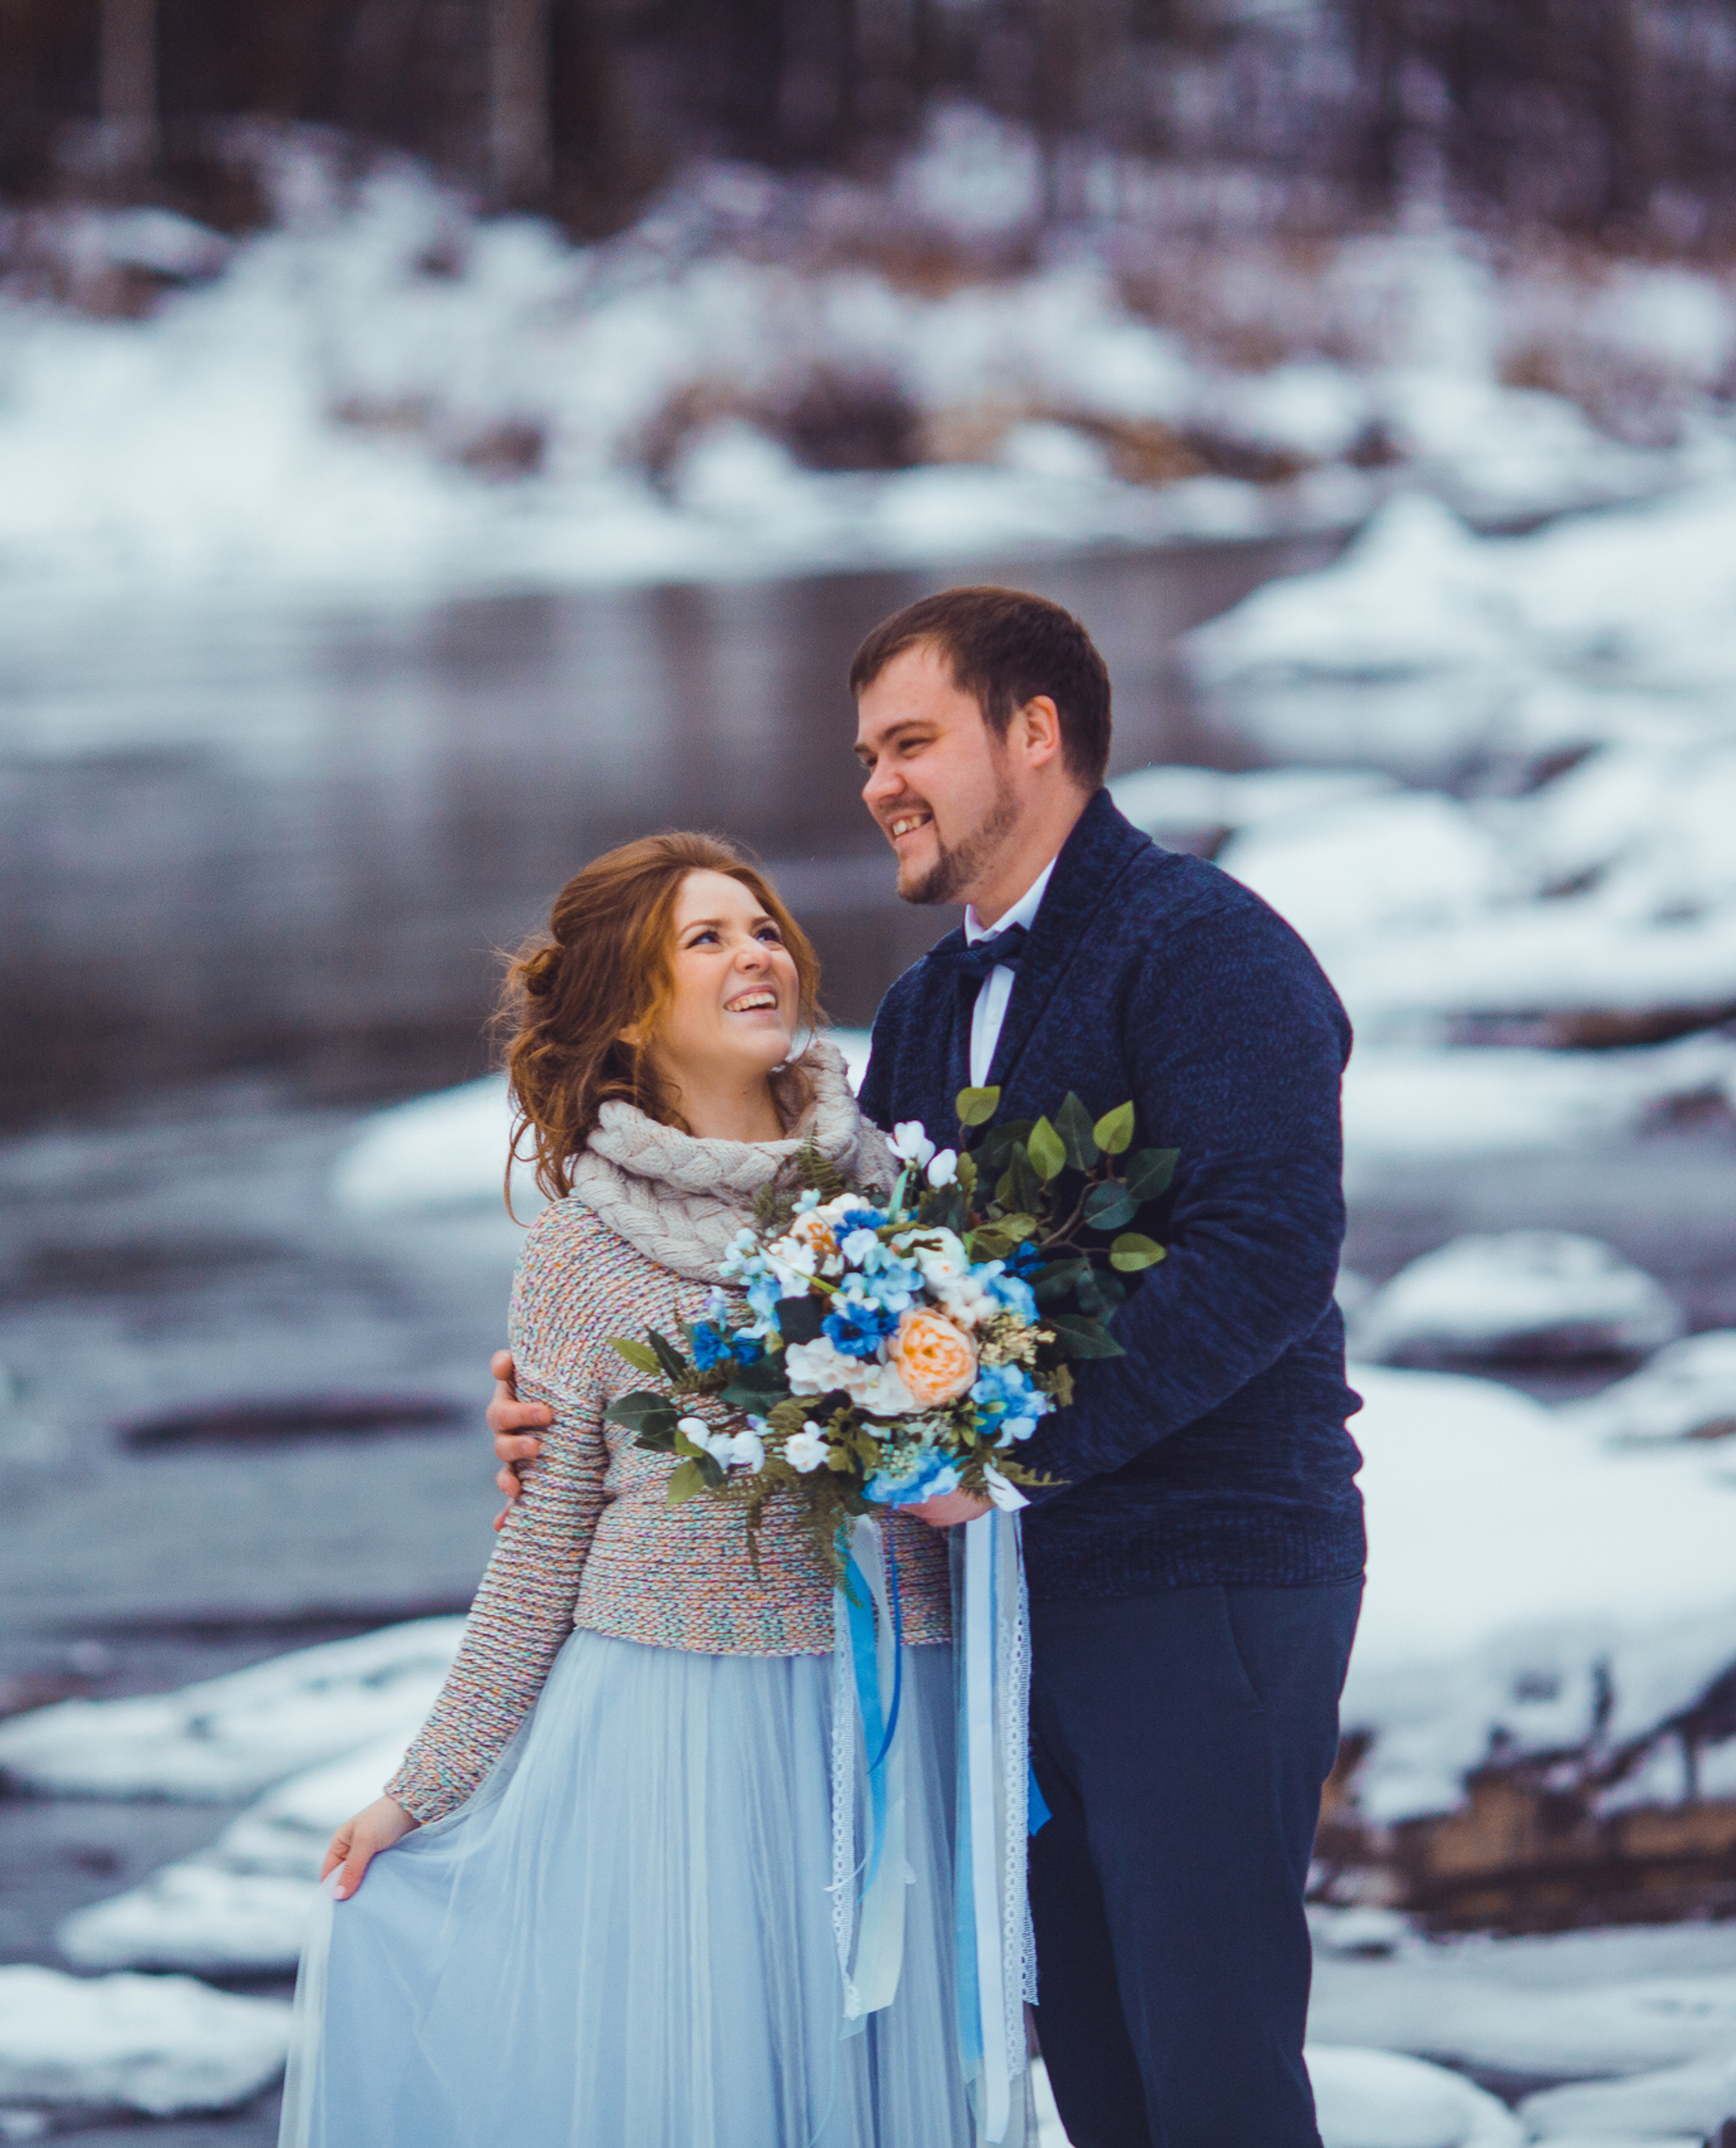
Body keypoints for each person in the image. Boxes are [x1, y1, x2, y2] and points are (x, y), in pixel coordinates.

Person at [491, 588, 1366, 2148]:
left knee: (1213, 2062)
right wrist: (583, 1414)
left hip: (1208, 1568)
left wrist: (1013, 1453)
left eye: (913, 743)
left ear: (1035, 736)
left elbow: (1269, 1254)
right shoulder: (923, 1009)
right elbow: (826, 1304)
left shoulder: (1204, 947)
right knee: (1093, 2058)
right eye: (868, 753)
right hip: (1007, 1613)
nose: (879, 782)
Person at [286, 832, 993, 2148]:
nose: (757, 956)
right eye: (707, 940)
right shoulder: (580, 1250)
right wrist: (421, 1789)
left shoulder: (894, 1190)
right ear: (628, 1010)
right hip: (683, 1736)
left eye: (765, 927)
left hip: (899, 1701)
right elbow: (545, 1539)